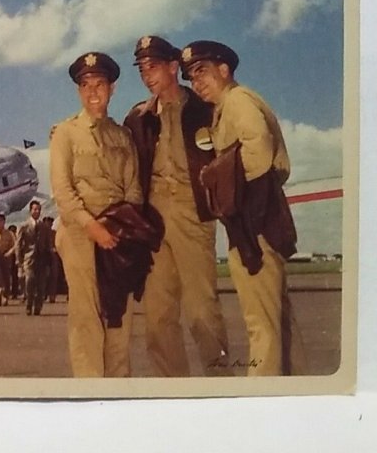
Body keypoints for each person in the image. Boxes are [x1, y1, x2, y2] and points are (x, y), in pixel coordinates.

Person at [180, 40, 307, 376]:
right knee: (278, 321)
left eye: (202, 72)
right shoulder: (227, 106)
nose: (197, 82)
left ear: (225, 70)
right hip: (256, 220)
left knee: (260, 325)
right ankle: (299, 392)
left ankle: (260, 406)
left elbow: (258, 150)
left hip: (254, 221)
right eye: (192, 77)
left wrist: (222, 184)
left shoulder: (237, 101)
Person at [123, 35, 231, 377]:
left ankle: (220, 387)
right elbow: (117, 153)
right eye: (141, 68)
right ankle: (171, 391)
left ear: (173, 67)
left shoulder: (204, 109)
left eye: (153, 66)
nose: (146, 74)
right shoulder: (137, 118)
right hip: (153, 220)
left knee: (201, 311)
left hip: (192, 214)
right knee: (157, 318)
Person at [49, 51, 143, 377]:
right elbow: (63, 191)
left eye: (99, 84)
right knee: (86, 316)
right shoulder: (65, 133)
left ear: (112, 88)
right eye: (85, 85)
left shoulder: (123, 137)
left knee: (120, 317)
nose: (92, 92)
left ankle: (117, 392)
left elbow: (133, 190)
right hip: (79, 233)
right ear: (78, 91)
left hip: (117, 234)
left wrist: (123, 229)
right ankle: (90, 392)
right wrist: (93, 228)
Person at [14, 201, 54, 316]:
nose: (36, 211)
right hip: (29, 258)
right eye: (34, 209)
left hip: (42, 259)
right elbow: (18, 244)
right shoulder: (24, 226)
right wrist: (18, 259)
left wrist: (49, 258)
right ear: (30, 210)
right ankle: (29, 303)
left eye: (38, 209)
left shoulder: (44, 227)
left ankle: (38, 306)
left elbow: (48, 244)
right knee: (29, 281)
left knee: (41, 285)